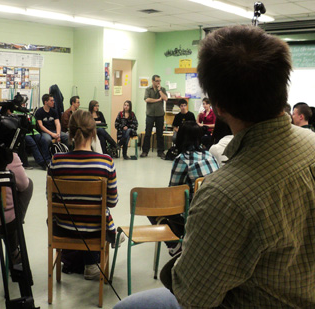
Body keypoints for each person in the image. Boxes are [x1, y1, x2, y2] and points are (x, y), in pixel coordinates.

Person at [114, 25, 315, 308]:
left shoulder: (224, 195)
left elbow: (192, 296)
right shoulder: (311, 143)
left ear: (218, 106)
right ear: (282, 87)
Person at [48, 109, 119, 280]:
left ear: (69, 132)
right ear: (94, 133)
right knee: (103, 212)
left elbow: (50, 199)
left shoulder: (56, 161)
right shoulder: (106, 162)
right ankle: (97, 257)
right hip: (94, 229)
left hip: (62, 229)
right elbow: (112, 201)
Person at [148, 121, 219, 255]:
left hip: (193, 214)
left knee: (152, 207)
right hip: (213, 211)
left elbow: (172, 193)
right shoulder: (210, 155)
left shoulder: (182, 159)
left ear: (180, 138)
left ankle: (175, 244)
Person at [141, 75, 168, 159]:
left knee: (160, 134)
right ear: (152, 81)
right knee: (148, 133)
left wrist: (160, 90)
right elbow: (147, 99)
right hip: (150, 115)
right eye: (157, 81)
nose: (158, 82)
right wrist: (157, 100)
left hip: (160, 115)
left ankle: (160, 152)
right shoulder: (148, 89)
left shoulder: (162, 89)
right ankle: (145, 151)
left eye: (159, 80)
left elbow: (165, 98)